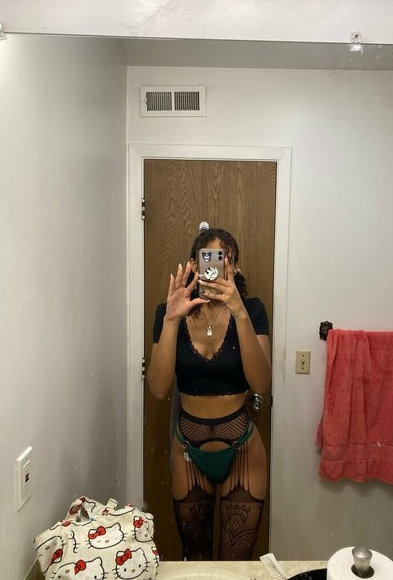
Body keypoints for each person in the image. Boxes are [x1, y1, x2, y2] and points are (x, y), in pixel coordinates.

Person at [147, 227, 271, 561]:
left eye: (226, 260)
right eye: (210, 259)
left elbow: (261, 383)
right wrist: (171, 320)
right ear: (194, 264)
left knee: (236, 566)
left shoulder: (252, 310)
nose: (217, 267)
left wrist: (239, 312)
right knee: (195, 559)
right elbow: (158, 389)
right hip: (188, 450)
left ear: (235, 267)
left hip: (243, 450)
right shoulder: (168, 312)